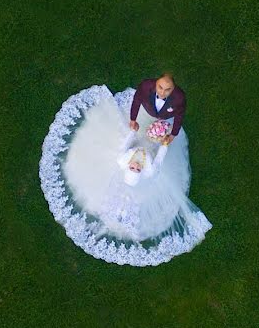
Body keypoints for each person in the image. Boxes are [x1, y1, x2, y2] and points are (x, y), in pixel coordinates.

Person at [39, 81, 211, 267]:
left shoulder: (124, 159)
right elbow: (160, 159)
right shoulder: (150, 170)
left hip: (137, 139)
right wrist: (163, 144)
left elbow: (124, 146)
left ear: (128, 167)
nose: (136, 166)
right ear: (141, 172)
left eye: (133, 168)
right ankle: (157, 125)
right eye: (138, 169)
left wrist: (132, 133)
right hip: (154, 143)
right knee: (156, 129)